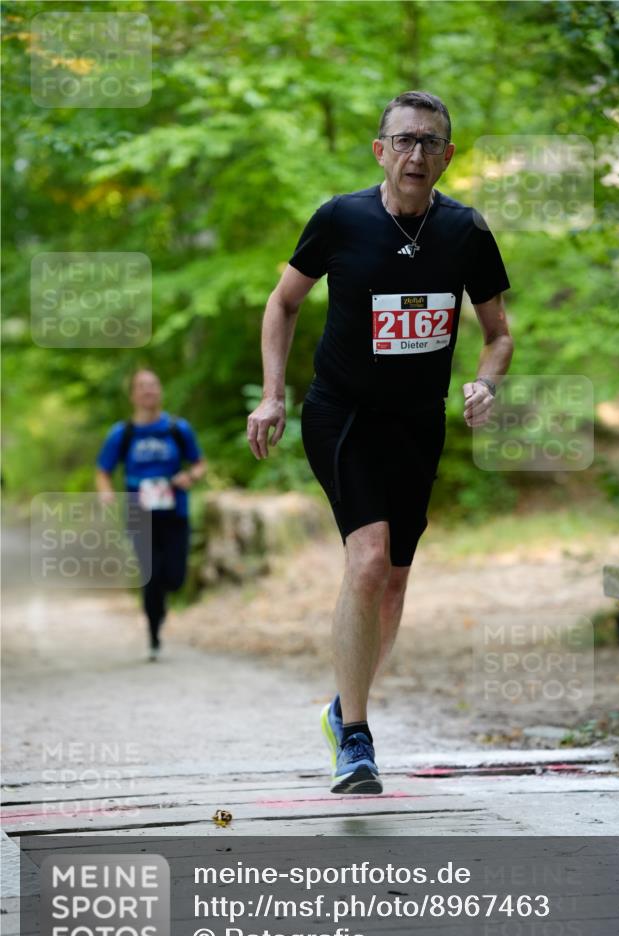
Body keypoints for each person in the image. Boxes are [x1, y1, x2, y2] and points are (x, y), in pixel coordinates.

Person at [247, 91, 514, 794]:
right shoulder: (340, 219)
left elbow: (498, 332)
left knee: (393, 582)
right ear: (379, 150)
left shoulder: (465, 233)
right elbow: (283, 303)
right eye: (402, 141)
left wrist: (487, 382)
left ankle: (343, 707)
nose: (415, 154)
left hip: (416, 422)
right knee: (365, 561)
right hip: (343, 413)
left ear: (447, 157)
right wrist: (273, 395)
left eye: (429, 143)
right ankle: (357, 741)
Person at [95, 369, 206, 660]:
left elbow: (199, 464)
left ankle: (163, 605)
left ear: (160, 391)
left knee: (174, 577)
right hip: (138, 512)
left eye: (153, 385)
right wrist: (106, 491)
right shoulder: (123, 433)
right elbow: (103, 470)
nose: (148, 391)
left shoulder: (177, 428)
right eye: (142, 387)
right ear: (132, 395)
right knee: (150, 575)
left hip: (174, 511)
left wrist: (189, 477)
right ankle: (154, 634)